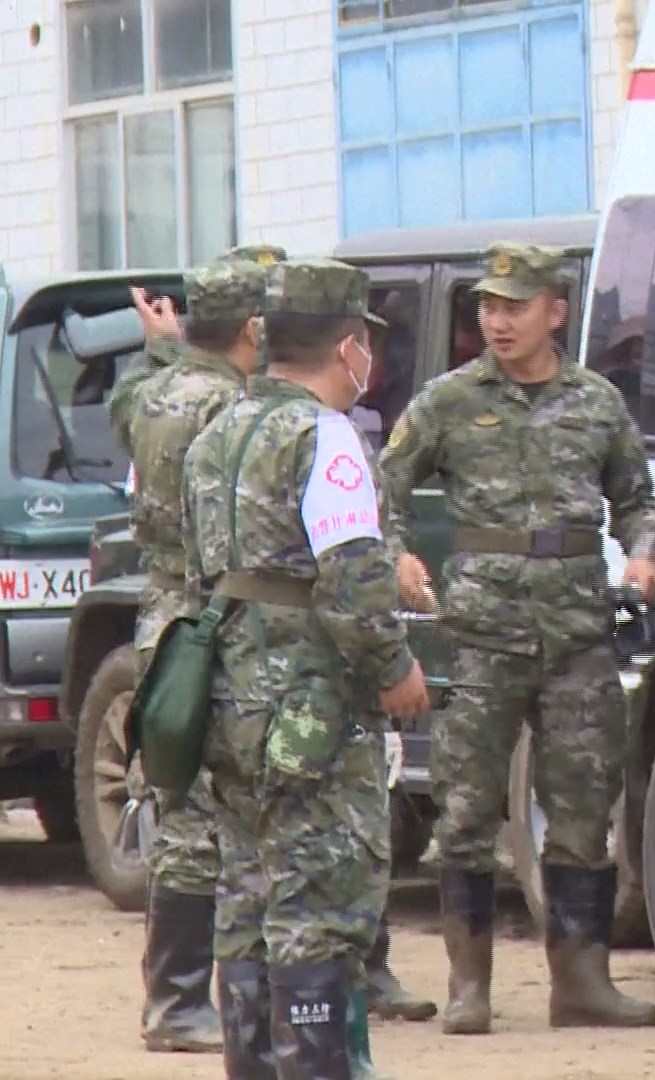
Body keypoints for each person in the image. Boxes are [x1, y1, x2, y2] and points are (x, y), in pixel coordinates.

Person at [379, 242, 655, 1036]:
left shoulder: (598, 403)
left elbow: (638, 499)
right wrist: (397, 550)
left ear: (556, 312)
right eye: (488, 307)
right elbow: (385, 483)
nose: (497, 321)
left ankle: (581, 982)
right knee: (466, 810)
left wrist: (643, 555)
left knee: (582, 808)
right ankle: (471, 987)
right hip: (481, 635)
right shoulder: (448, 400)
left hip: (577, 635)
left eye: (514, 305)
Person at [185, 258, 432, 1079]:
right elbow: (354, 579)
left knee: (248, 892)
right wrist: (396, 671)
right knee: (319, 897)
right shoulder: (327, 438)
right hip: (312, 710)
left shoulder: (217, 432)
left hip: (227, 700)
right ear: (350, 344)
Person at [125, 256, 271, 1057]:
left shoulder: (163, 390)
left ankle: (178, 997)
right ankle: (181, 1003)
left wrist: (160, 351)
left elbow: (128, 429)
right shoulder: (234, 407)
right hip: (212, 622)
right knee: (203, 817)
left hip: (165, 615)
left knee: (179, 805)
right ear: (253, 328)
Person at [116, 245, 288, 455]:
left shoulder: (156, 392)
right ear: (254, 329)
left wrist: (163, 345)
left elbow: (125, 410)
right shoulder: (240, 408)